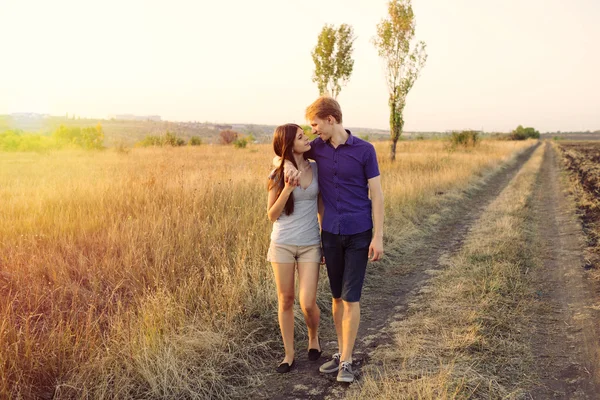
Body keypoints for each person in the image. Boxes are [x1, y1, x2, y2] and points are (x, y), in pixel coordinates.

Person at [281, 97, 384, 383]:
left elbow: (377, 194)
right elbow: (286, 149)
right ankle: (341, 353)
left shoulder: (365, 150)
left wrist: (378, 235)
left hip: (359, 233)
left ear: (331, 119)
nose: (313, 131)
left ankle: (347, 360)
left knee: (351, 298)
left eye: (315, 124)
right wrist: (284, 166)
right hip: (330, 234)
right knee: (337, 298)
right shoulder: (318, 149)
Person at [267, 123, 324, 374]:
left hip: (311, 242)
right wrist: (287, 188)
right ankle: (289, 354)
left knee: (308, 302)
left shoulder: (316, 168)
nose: (307, 138)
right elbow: (272, 215)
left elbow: (321, 208)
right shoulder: (277, 174)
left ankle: (313, 337)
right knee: (286, 299)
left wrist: (325, 240)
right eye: (301, 137)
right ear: (290, 145)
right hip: (283, 244)